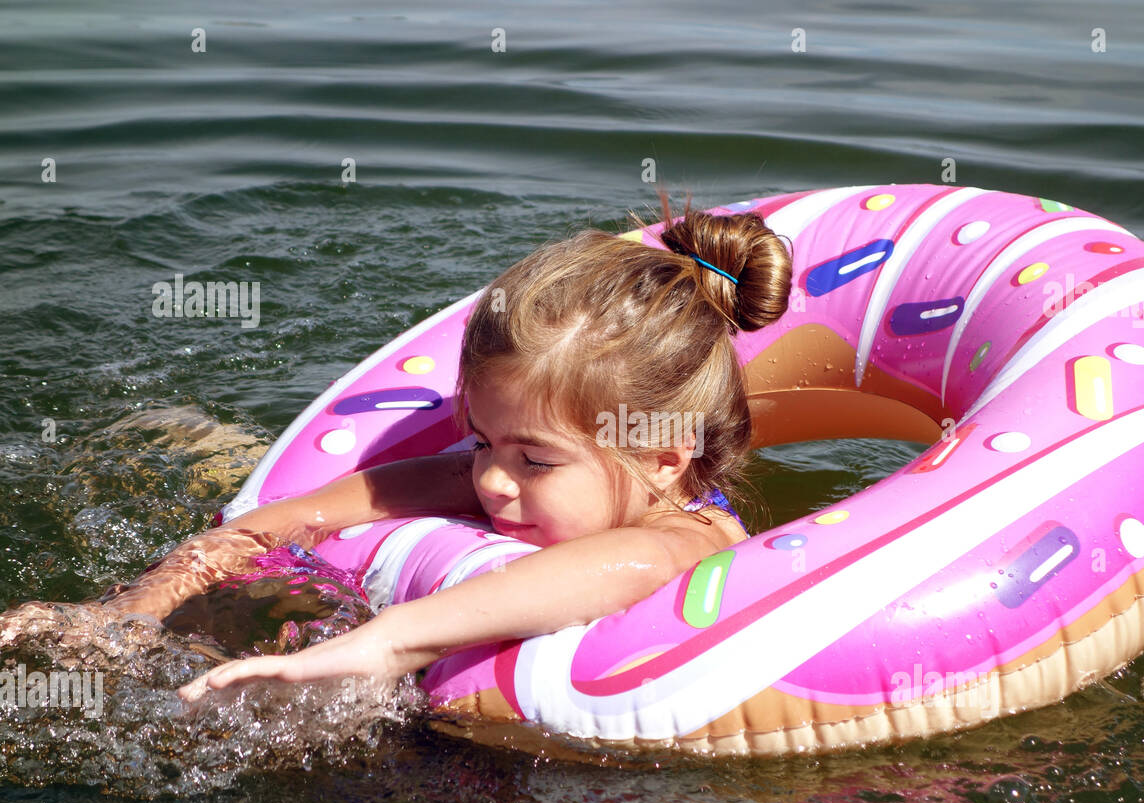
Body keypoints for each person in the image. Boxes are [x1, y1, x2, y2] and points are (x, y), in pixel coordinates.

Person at [11, 190, 791, 702]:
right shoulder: (507, 476)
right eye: (482, 441)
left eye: (535, 459)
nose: (492, 482)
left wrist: (372, 650)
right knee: (202, 453)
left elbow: (627, 568)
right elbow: (289, 515)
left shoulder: (687, 541)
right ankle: (158, 425)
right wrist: (132, 610)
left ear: (660, 457)